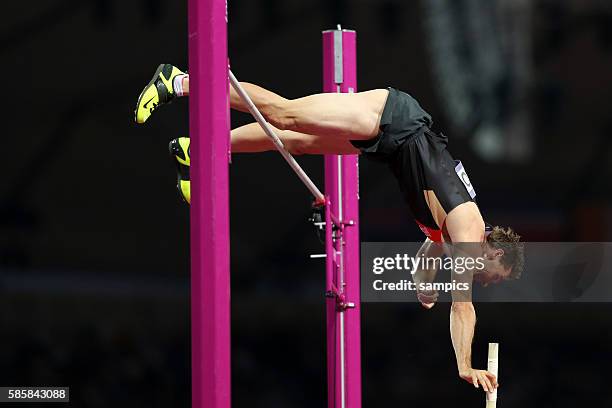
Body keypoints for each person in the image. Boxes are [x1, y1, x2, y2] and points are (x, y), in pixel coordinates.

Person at [135, 63, 524, 393]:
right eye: (495, 274)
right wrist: (464, 364)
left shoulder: (454, 233)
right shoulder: (469, 229)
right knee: (282, 114)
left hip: (388, 143)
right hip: (392, 116)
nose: (487, 281)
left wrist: (424, 288)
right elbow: (463, 306)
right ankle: (179, 80)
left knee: (293, 142)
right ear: (493, 251)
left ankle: (195, 150)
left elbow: (426, 258)